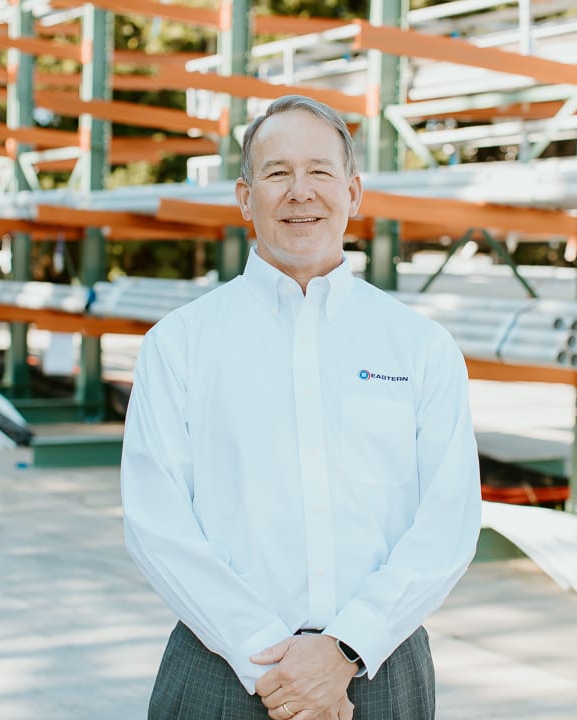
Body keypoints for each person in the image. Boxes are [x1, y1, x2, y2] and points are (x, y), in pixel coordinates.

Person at [120, 94, 482, 720]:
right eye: (277, 172)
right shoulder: (179, 343)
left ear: (354, 192)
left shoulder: (420, 346)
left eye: (319, 171)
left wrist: (345, 648)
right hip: (224, 668)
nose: (300, 192)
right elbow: (157, 524)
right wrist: (271, 659)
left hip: (380, 667)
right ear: (244, 198)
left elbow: (448, 520)